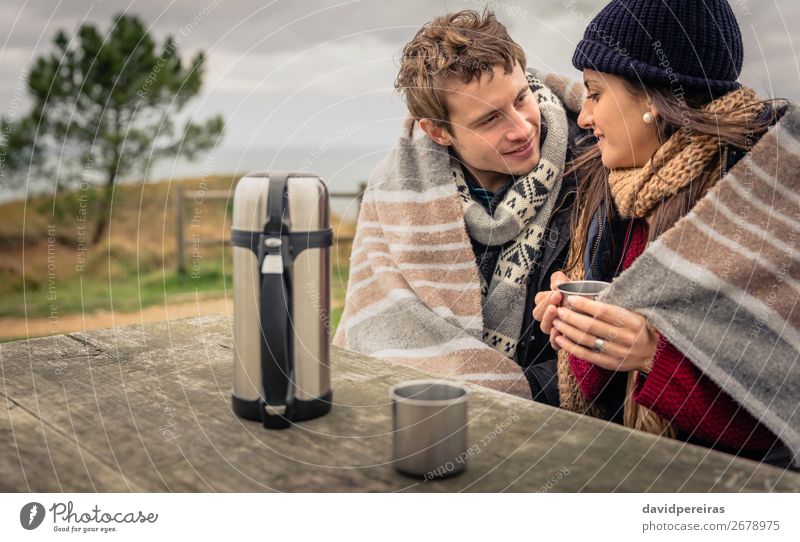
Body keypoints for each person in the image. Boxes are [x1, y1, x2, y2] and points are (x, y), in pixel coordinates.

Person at [533, 0, 799, 469]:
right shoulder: (611, 190)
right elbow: (604, 391)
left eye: (595, 94)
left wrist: (657, 357)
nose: (583, 117)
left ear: (652, 102)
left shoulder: (758, 205)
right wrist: (576, 330)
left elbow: (780, 402)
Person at [333, 10, 586, 402]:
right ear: (438, 131)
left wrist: (522, 395)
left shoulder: (592, 172)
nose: (521, 128)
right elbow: (378, 328)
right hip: (417, 413)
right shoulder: (395, 192)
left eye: (521, 97)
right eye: (489, 120)